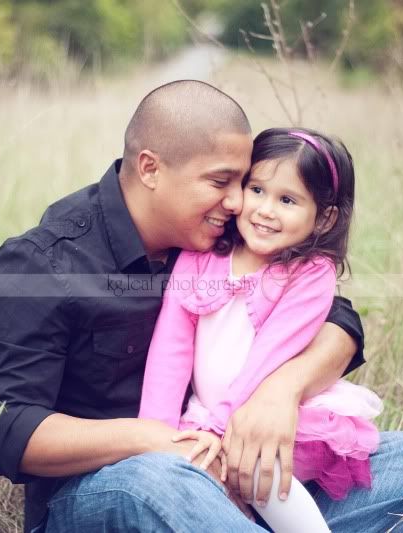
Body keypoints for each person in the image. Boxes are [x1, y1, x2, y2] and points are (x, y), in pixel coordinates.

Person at [0, 80, 403, 532]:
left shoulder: (220, 237)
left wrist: (281, 391)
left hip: (229, 469)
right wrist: (157, 443)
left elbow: (336, 317)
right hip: (111, 488)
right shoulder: (41, 262)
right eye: (221, 182)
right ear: (151, 169)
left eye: (245, 183)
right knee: (155, 484)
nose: (238, 203)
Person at [138, 127, 383, 532]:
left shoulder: (309, 274)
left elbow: (265, 361)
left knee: (256, 466)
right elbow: (170, 351)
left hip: (263, 421)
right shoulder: (201, 255)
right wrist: (158, 440)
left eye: (287, 200)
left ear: (325, 217)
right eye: (257, 190)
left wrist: (222, 431)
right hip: (202, 421)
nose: (266, 210)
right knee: (181, 477)